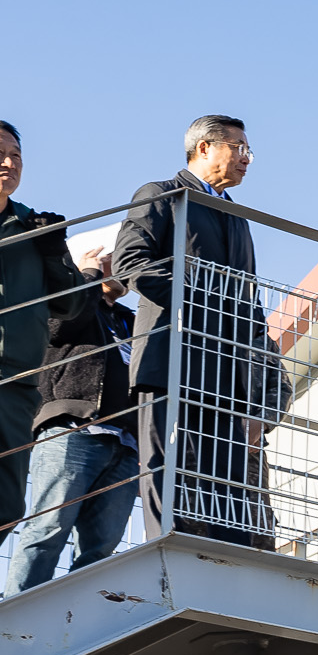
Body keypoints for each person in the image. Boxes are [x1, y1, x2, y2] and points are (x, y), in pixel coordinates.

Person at [112, 114, 282, 547]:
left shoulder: (235, 216)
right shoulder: (161, 195)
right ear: (204, 147)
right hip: (173, 359)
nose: (247, 159)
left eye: (248, 150)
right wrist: (206, 298)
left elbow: (248, 298)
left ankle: (227, 561)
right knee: (172, 470)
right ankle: (168, 553)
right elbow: (131, 264)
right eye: (239, 148)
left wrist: (256, 344)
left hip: (227, 373)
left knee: (228, 485)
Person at [6, 241, 139, 595]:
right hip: (73, 428)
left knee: (103, 545)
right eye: (111, 261)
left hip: (125, 441)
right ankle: (18, 611)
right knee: (48, 527)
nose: (119, 269)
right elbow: (57, 330)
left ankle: (79, 617)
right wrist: (88, 277)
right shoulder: (70, 304)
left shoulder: (130, 320)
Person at [0, 121, 87, 534]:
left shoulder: (32, 226)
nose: (9, 163)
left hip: (16, 384)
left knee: (5, 506)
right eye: (1, 153)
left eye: (16, 156)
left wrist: (54, 248)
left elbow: (69, 306)